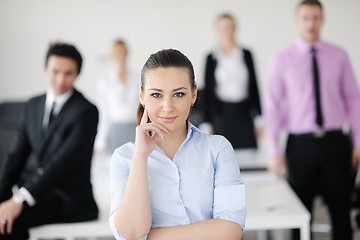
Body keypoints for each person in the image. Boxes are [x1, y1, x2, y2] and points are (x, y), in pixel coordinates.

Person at [109, 49, 245, 240]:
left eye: (179, 94)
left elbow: (231, 231)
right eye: (156, 95)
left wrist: (150, 237)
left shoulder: (218, 148)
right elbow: (130, 233)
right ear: (141, 96)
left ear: (194, 94)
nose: (168, 106)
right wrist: (140, 157)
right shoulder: (124, 157)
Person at [264, 1, 360, 239]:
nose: (311, 23)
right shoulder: (281, 60)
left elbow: (353, 100)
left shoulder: (339, 55)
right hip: (300, 146)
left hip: (336, 143)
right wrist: (274, 151)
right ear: (297, 21)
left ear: (322, 20)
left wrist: (358, 141)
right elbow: (272, 108)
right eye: (306, 18)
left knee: (341, 211)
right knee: (299, 214)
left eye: (315, 18)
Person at [0, 42, 99, 239]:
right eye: (55, 71)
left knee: (6, 223)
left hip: (66, 197)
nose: (61, 79)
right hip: (36, 191)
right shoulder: (32, 105)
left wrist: (19, 199)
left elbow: (62, 163)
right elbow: (15, 156)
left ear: (77, 74)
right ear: (46, 70)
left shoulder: (86, 111)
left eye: (68, 73)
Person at [201, 13, 262, 160]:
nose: (226, 32)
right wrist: (206, 122)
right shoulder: (211, 58)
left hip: (243, 114)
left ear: (235, 29)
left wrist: (259, 118)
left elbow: (254, 86)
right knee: (222, 158)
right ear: (216, 31)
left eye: (229, 28)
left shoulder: (246, 55)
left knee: (248, 158)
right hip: (221, 116)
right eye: (222, 28)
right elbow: (208, 92)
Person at [95, 39, 139, 154]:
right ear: (111, 55)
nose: (120, 56)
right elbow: (103, 113)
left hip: (134, 129)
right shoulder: (104, 82)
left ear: (127, 53)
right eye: (116, 53)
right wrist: (100, 141)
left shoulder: (138, 78)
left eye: (122, 52)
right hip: (115, 131)